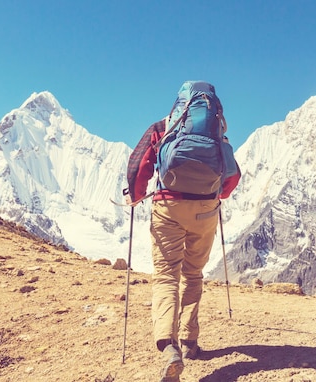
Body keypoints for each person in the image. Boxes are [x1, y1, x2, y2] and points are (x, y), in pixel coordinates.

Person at [127, 89, 240, 381]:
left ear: (180, 104)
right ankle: (190, 341)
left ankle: (169, 347)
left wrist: (137, 195)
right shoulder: (217, 134)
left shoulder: (164, 127)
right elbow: (232, 174)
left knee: (166, 277)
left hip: (168, 206)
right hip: (205, 210)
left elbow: (138, 164)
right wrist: (217, 196)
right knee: (193, 274)